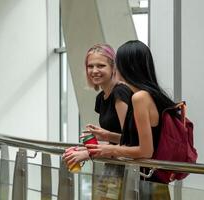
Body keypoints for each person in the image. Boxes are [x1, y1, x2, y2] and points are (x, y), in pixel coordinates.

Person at [85, 40, 176, 199]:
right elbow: (138, 141)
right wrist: (107, 138)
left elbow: (146, 150)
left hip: (144, 183)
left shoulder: (139, 98)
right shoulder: (150, 95)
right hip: (151, 182)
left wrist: (108, 149)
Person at [63, 43, 133, 199]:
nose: (94, 71)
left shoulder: (120, 93)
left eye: (100, 65)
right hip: (113, 164)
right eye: (90, 66)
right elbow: (117, 141)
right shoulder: (101, 98)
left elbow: (131, 141)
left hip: (127, 168)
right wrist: (86, 149)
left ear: (113, 67)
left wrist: (91, 151)